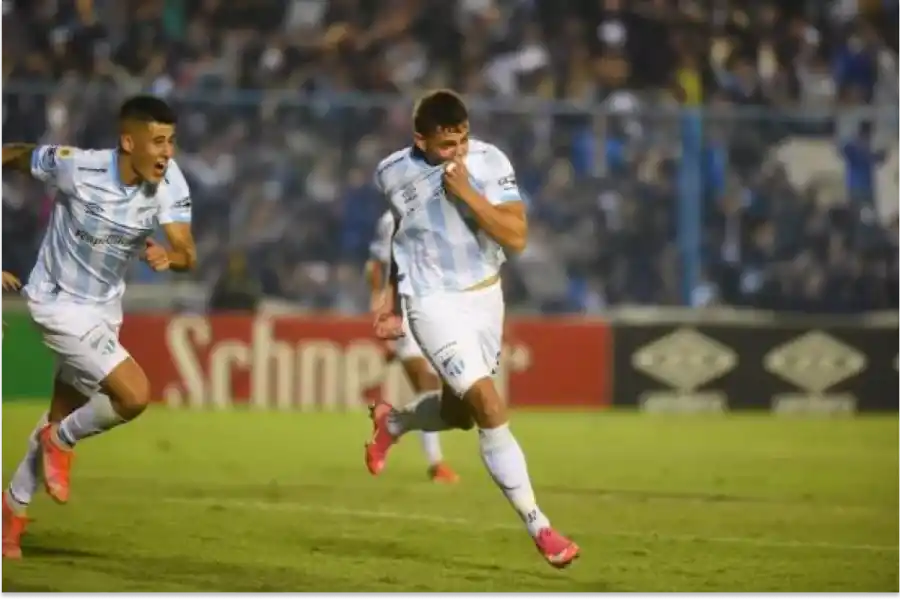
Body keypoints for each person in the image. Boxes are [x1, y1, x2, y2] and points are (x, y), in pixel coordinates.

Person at [365, 89, 579, 568]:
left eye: (462, 140)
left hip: (485, 296)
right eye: (446, 145)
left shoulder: (489, 161)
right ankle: (541, 527)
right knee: (487, 402)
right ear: (420, 139)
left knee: (458, 414)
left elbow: (517, 236)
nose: (456, 152)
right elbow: (405, 232)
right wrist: (393, 299)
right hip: (431, 303)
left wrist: (467, 194)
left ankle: (393, 421)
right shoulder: (391, 172)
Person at [0, 95, 196, 560]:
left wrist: (172, 257)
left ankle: (11, 515)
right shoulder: (77, 167)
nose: (168, 152)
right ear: (129, 142)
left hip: (105, 309)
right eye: (158, 141)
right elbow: (21, 155)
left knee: (58, 413)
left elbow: (187, 250)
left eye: (172, 141)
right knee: (133, 395)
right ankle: (61, 441)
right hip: (56, 303)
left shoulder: (170, 182)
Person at [366, 210, 460, 484]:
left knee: (450, 393)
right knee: (427, 385)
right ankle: (436, 464)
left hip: (438, 310)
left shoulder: (445, 212)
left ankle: (391, 423)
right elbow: (376, 266)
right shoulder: (391, 219)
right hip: (405, 310)